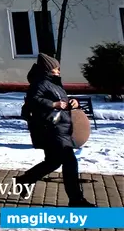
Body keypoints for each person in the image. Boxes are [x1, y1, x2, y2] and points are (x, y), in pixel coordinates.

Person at [17, 53, 95, 206]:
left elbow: (61, 100)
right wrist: (54, 105)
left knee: (53, 162)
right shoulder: (39, 83)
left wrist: (73, 102)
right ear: (47, 68)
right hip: (51, 128)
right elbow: (33, 100)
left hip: (60, 128)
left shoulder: (53, 83)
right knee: (70, 162)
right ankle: (76, 199)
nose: (58, 70)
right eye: (55, 68)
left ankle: (25, 179)